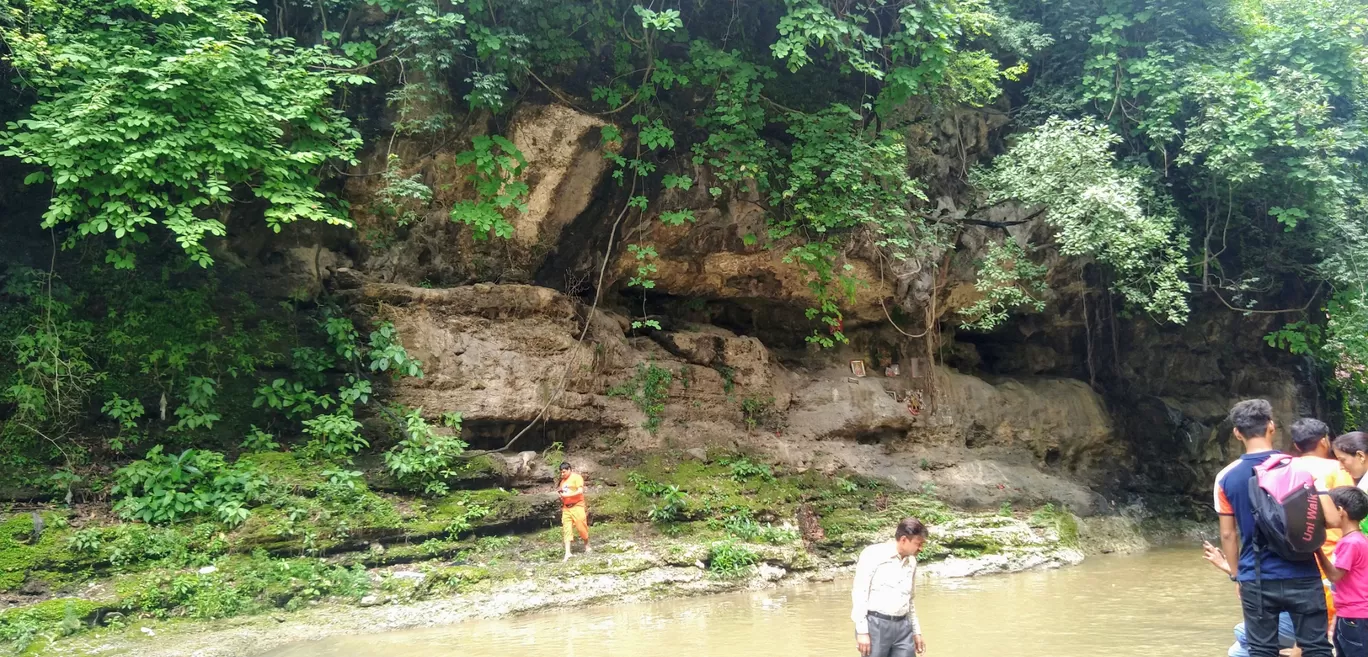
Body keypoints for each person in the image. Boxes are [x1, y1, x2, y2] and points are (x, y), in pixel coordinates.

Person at [1215, 399, 1332, 657]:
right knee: (1316, 647)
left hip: (1256, 575)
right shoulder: (1300, 467)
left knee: (1261, 649)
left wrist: (1237, 575)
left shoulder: (1226, 477)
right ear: (1271, 427)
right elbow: (1325, 518)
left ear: (1237, 433)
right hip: (1302, 571)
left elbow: (1228, 534)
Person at [1290, 418, 1353, 628]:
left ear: (1297, 446)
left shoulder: (1284, 469)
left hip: (1294, 554)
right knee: (1332, 617)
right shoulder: (1337, 469)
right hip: (1332, 554)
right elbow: (1348, 511)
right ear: (1325, 441)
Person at [1205, 541, 1301, 657]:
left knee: (1241, 632)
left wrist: (1232, 571)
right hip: (1286, 614)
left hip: (1303, 620)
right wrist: (1233, 571)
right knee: (1236, 652)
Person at [851, 518, 928, 657]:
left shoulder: (911, 562)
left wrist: (916, 632)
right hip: (875, 625)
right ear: (904, 540)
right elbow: (860, 593)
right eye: (918, 543)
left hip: (903, 627)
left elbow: (910, 600)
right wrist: (862, 631)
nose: (921, 548)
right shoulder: (873, 555)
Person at [1314, 487, 1368, 656]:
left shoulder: (1350, 543)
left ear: (1340, 511)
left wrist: (1317, 550)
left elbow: (1335, 575)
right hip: (1354, 614)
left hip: (1354, 616)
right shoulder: (1358, 539)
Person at [557, 461, 590, 561]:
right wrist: (561, 496)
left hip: (577, 506)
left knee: (581, 527)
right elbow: (562, 494)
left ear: (569, 470)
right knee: (567, 529)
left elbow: (580, 491)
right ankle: (567, 553)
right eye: (561, 473)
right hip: (566, 508)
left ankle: (587, 544)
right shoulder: (562, 482)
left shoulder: (576, 478)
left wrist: (567, 495)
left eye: (564, 472)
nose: (562, 474)